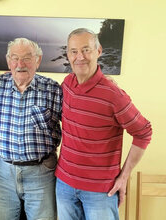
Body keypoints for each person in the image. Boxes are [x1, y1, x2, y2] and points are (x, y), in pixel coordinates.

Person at [55, 28, 152, 220]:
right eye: (74, 51)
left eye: (86, 50)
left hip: (100, 192)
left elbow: (144, 132)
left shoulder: (114, 95)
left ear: (98, 51)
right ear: (68, 55)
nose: (80, 57)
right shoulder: (67, 84)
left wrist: (124, 176)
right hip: (64, 184)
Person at [0, 38, 62, 220]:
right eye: (15, 58)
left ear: (38, 60)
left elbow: (76, 124)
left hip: (41, 172)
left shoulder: (53, 90)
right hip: (2, 173)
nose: (20, 64)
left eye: (27, 58)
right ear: (8, 61)